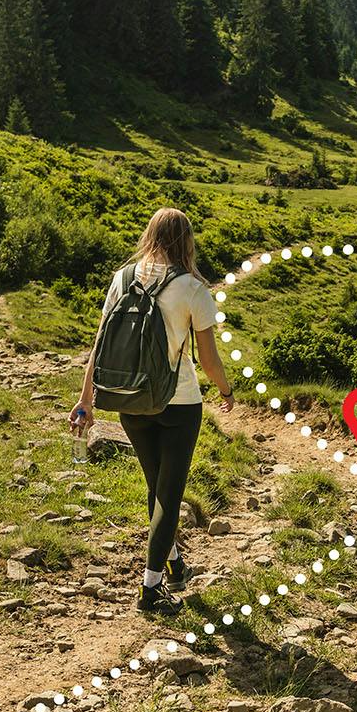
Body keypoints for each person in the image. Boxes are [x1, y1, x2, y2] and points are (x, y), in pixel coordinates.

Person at [71, 208, 234, 616]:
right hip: (179, 404)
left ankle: (174, 564)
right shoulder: (192, 288)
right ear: (187, 241)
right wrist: (226, 390)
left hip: (131, 399)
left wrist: (86, 400)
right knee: (169, 493)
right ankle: (151, 588)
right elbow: (209, 360)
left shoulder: (122, 278)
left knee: (157, 488)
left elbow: (100, 343)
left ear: (150, 235)